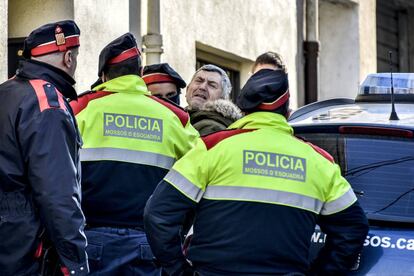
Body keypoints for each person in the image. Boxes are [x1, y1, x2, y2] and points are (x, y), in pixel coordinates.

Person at [144, 68, 369, 275]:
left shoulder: (211, 148)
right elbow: (353, 228)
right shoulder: (320, 162)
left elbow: (158, 214)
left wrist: (179, 270)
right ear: (288, 112)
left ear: (243, 110)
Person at [70, 33, 199, 275]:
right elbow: (199, 178)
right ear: (139, 74)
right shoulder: (175, 118)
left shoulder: (81, 108)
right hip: (149, 242)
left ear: (104, 76)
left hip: (92, 239)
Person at [0, 20, 88, 276]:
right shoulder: (47, 105)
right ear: (68, 58)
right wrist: (76, 264)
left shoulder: (6, 92)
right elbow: (58, 195)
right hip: (25, 248)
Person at [185, 64, 242, 135]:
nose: (202, 87)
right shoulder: (180, 118)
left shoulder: (213, 128)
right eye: (199, 81)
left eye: (212, 85)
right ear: (187, 90)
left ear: (222, 99)